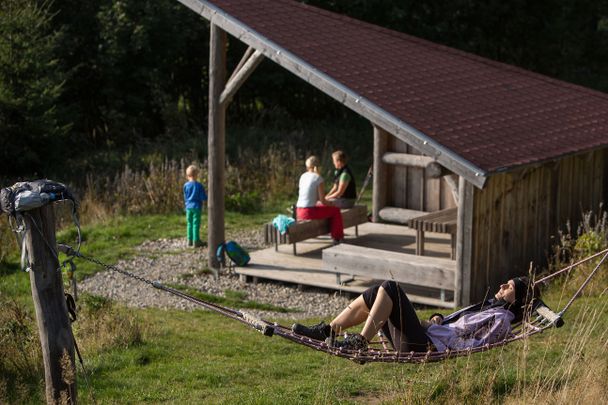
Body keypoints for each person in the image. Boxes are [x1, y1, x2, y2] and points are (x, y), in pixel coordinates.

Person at [292, 277, 539, 352]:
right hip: (424, 335)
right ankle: (327, 330)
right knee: (374, 293)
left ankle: (360, 342)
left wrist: (437, 333)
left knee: (390, 288)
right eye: (504, 283)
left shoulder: (501, 319)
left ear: (517, 300)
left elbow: (475, 344)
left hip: (425, 344)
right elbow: (459, 325)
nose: (501, 287)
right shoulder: (491, 306)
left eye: (509, 288)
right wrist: (438, 320)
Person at [296, 155, 344, 243]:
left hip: (298, 211)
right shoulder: (318, 178)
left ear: (307, 167)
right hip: (309, 212)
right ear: (317, 167)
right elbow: (323, 201)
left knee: (324, 208)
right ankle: (337, 237)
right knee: (335, 211)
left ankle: (333, 234)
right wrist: (331, 204)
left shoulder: (302, 176)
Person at [183, 164, 207, 247]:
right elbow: (203, 197)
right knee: (196, 224)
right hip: (197, 207)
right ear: (197, 175)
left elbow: (185, 196)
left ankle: (189, 240)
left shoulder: (185, 185)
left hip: (188, 207)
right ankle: (196, 240)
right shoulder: (199, 186)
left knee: (189, 224)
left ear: (187, 175)